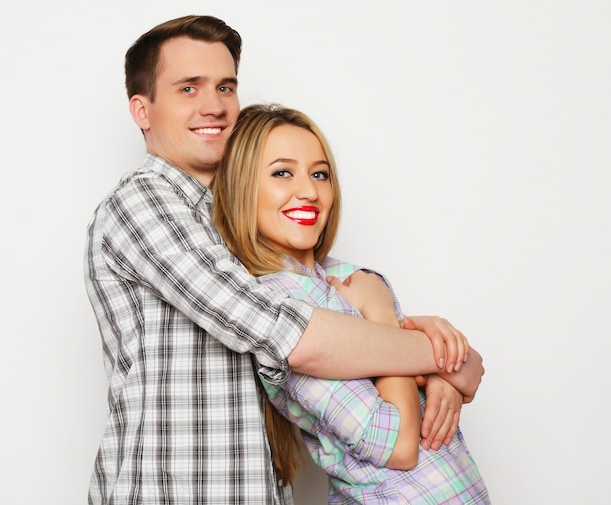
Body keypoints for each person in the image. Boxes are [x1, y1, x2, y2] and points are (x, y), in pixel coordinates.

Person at [84, 14, 485, 505]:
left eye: (226, 87)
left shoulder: (247, 233)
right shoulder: (143, 203)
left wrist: (449, 372)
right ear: (141, 110)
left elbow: (460, 364)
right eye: (188, 88)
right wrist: (431, 355)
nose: (214, 106)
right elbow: (287, 333)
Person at [212, 103, 491, 503]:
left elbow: (471, 370)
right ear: (242, 188)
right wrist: (383, 316)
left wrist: (441, 381)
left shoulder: (346, 277)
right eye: (282, 172)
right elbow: (397, 444)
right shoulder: (277, 307)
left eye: (320, 174)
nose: (309, 190)